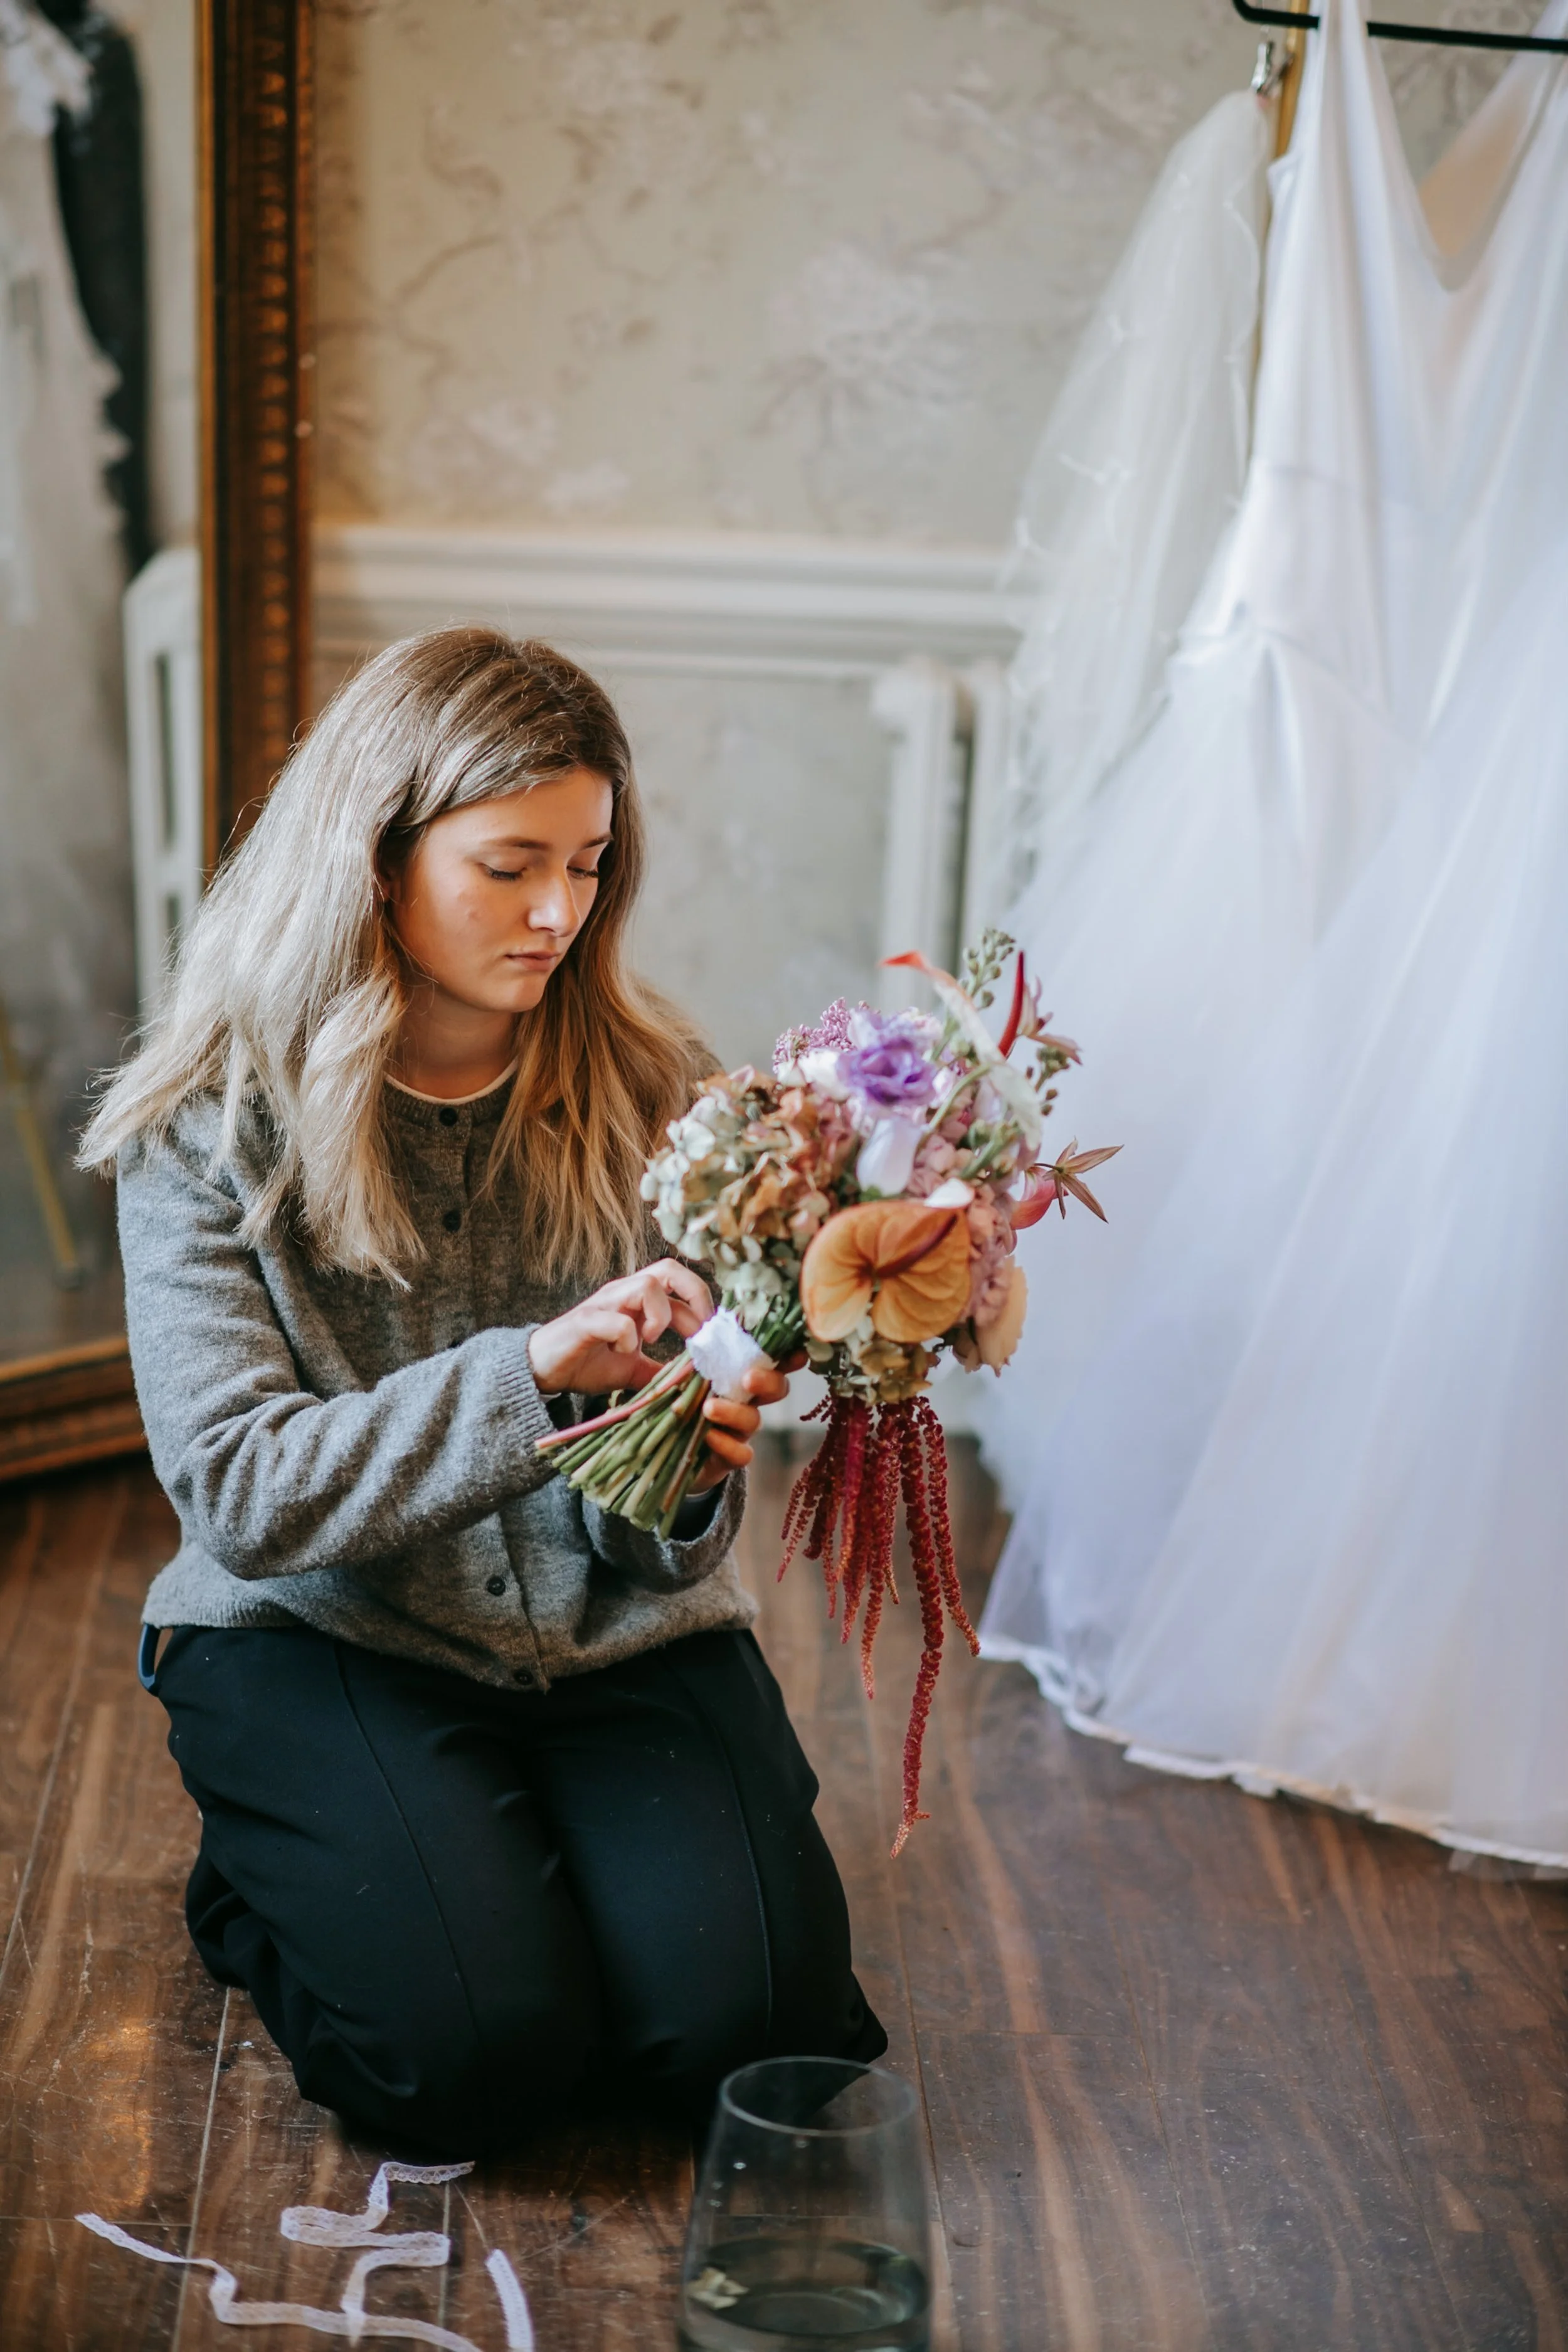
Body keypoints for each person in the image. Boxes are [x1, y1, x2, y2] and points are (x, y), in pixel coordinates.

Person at [81, 626, 885, 2156]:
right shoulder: (204, 1124)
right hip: (325, 1633)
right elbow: (242, 1497)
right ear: (374, 860)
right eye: (509, 866)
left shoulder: (659, 1091)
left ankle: (507, 1884)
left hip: (610, 1632)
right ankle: (274, 1884)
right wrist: (528, 1373)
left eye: (586, 866)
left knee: (755, 2041)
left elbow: (665, 1540)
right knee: (466, 2066)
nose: (558, 913)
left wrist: (688, 1470)